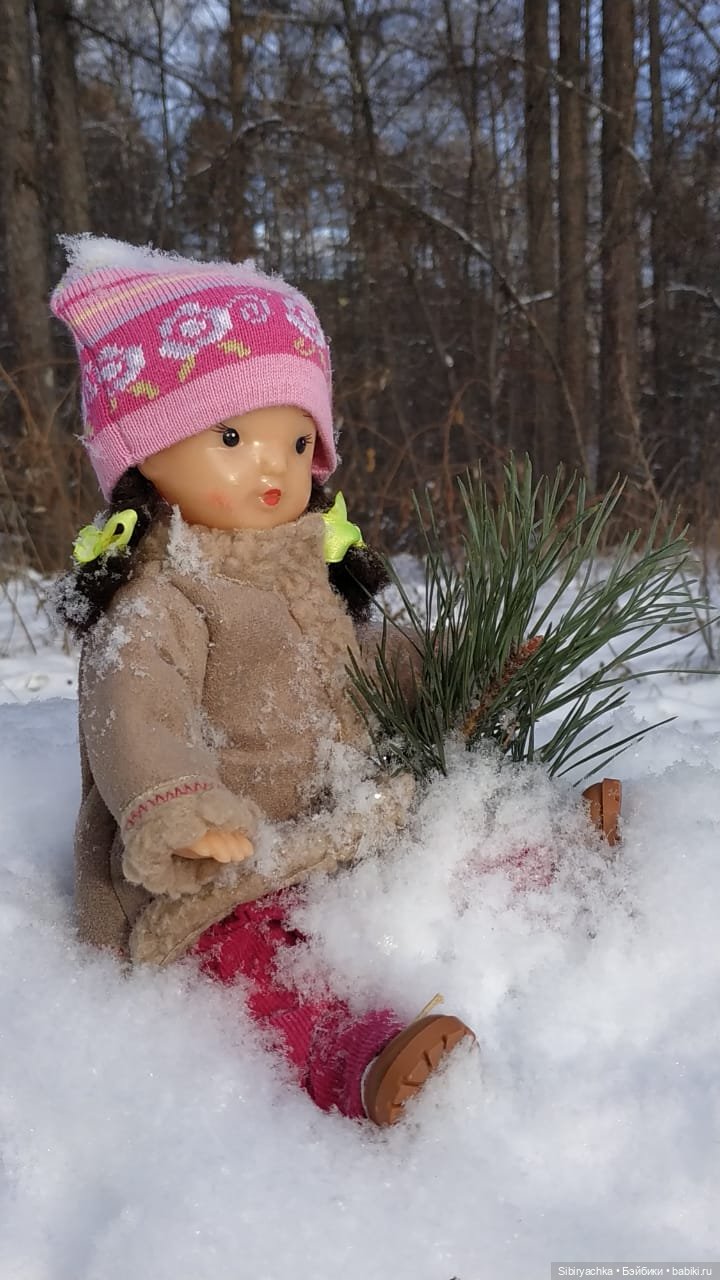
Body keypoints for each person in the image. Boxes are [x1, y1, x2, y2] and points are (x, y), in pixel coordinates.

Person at [50, 236, 475, 1127]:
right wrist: (179, 808)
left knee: (441, 830)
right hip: (204, 870)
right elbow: (136, 712)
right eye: (234, 435)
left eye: (295, 438)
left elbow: (362, 665)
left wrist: (455, 664)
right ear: (146, 451)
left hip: (316, 828)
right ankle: (347, 1060)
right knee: (260, 958)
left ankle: (540, 871)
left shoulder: (299, 574)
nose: (274, 465)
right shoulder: (157, 600)